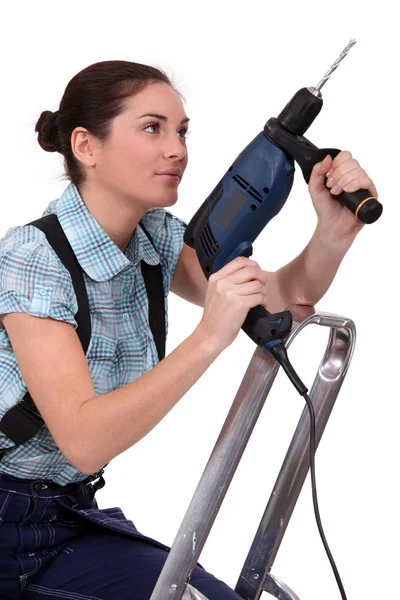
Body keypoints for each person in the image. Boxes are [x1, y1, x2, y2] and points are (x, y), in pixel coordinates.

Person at [0, 60, 378, 599]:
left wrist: (334, 232)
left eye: (182, 131)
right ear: (86, 146)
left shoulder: (153, 238)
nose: (176, 149)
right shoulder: (32, 259)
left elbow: (282, 298)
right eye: (152, 128)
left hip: (66, 517)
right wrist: (208, 337)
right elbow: (84, 441)